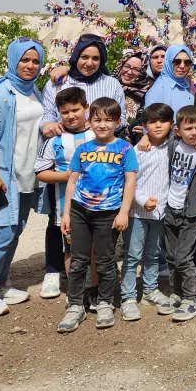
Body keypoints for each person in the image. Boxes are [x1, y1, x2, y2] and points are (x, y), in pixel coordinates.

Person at [0, 38, 44, 317]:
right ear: (13, 60)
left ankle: (2, 283)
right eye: (24, 60)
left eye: (35, 61)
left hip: (27, 175)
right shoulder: (0, 93)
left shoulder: (33, 90)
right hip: (4, 176)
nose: (30, 66)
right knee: (2, 233)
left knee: (17, 230)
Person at [57, 97, 138, 333]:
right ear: (89, 121)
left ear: (117, 122)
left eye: (108, 120)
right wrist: (66, 213)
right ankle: (75, 305)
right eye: (97, 120)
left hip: (109, 213)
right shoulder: (83, 149)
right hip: (81, 211)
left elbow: (130, 181)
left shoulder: (125, 148)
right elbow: (72, 181)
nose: (102, 125)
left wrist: (124, 212)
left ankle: (104, 302)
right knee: (79, 260)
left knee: (105, 260)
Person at [119, 102, 175, 323]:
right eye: (152, 122)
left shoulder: (172, 147)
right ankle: (128, 297)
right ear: (144, 126)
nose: (158, 125)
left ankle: (150, 291)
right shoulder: (136, 151)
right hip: (137, 212)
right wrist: (142, 200)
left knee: (153, 253)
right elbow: (129, 182)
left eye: (163, 121)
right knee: (132, 256)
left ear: (171, 124)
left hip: (159, 212)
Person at [35, 87, 90, 301]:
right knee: (71, 247)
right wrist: (67, 176)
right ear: (58, 113)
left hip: (99, 205)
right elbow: (40, 172)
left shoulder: (98, 134)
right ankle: (75, 291)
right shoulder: (54, 141)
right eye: (65, 112)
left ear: (86, 108)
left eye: (75, 110)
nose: (70, 115)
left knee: (95, 248)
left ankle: (93, 287)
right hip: (66, 206)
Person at [162, 105, 196, 320]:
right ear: (177, 131)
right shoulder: (173, 145)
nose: (194, 132)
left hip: (191, 211)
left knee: (183, 257)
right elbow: (152, 136)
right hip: (171, 207)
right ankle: (177, 292)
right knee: (171, 256)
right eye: (188, 127)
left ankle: (193, 298)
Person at [41, 34, 125, 139]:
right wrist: (48, 124)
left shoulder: (112, 84)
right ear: (76, 57)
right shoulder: (58, 83)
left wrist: (101, 125)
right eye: (84, 57)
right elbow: (47, 113)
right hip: (63, 146)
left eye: (95, 58)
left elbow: (120, 119)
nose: (89, 63)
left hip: (100, 148)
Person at [114, 50, 153, 144]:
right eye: (126, 66)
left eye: (136, 69)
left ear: (142, 72)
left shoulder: (146, 93)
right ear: (120, 66)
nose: (129, 72)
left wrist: (146, 129)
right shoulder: (108, 86)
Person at [145, 44, 195, 114]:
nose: (182, 66)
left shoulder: (185, 84)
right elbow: (152, 121)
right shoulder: (159, 89)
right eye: (177, 62)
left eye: (187, 62)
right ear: (168, 62)